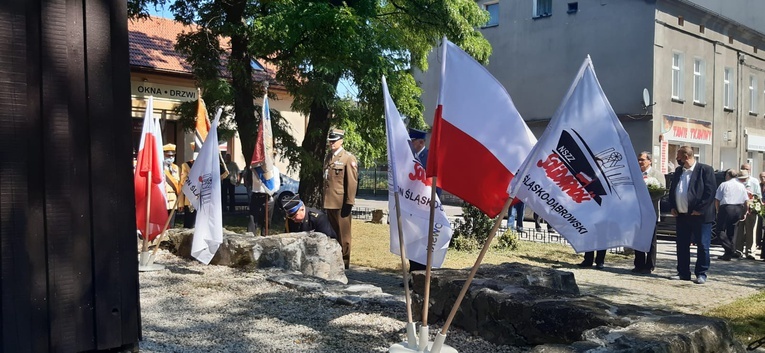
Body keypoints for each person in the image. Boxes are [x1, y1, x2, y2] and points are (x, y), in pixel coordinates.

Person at [668, 146, 716, 284]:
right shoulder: (679, 171)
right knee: (682, 245)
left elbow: (710, 192)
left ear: (686, 156)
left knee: (702, 245)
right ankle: (683, 272)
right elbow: (673, 190)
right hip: (682, 215)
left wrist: (700, 209)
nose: (677, 160)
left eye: (678, 157)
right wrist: (672, 206)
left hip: (700, 216)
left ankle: (701, 273)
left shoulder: (705, 170)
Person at [323, 128, 358, 269]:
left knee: (344, 235)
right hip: (329, 201)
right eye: (330, 141)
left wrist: (349, 202)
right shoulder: (328, 157)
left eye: (334, 140)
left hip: (341, 202)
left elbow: (352, 182)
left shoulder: (348, 158)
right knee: (332, 233)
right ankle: (335, 259)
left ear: (341, 141)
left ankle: (344, 261)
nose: (332, 143)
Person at [632, 151, 665, 274]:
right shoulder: (636, 174)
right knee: (637, 239)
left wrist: (648, 195)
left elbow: (661, 192)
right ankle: (638, 264)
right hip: (637, 211)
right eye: (639, 160)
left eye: (642, 159)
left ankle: (649, 265)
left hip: (651, 211)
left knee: (651, 240)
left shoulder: (657, 174)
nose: (640, 162)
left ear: (649, 161)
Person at [714, 169, 748, 261]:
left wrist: (718, 210)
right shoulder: (741, 186)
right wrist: (745, 212)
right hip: (738, 208)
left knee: (719, 230)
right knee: (732, 231)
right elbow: (746, 201)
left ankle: (730, 249)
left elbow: (717, 199)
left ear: (728, 176)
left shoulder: (724, 184)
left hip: (726, 208)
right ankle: (728, 254)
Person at [244, 160, 280, 236]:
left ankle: (265, 237)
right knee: (252, 219)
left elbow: (276, 185)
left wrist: (269, 191)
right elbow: (249, 182)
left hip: (268, 197)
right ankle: (250, 238)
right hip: (256, 195)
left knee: (266, 221)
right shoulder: (255, 169)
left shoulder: (274, 169)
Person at [735, 164, 761, 259]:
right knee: (739, 230)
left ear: (750, 170)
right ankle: (738, 250)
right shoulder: (737, 181)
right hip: (739, 208)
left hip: (751, 209)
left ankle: (751, 252)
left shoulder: (754, 181)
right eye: (743, 168)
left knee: (751, 231)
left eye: (747, 169)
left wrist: (752, 200)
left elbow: (759, 196)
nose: (745, 170)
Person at [163, 143, 180, 227]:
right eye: (168, 155)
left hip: (173, 200)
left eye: (172, 156)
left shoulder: (176, 168)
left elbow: (179, 184)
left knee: (171, 225)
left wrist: (180, 202)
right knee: (163, 224)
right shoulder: (159, 168)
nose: (170, 158)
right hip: (163, 199)